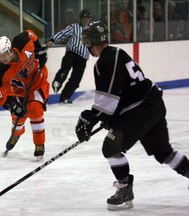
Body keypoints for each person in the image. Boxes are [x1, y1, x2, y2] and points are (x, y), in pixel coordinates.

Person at [75, 20, 189, 210]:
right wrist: (107, 118)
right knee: (164, 153)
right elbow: (119, 95)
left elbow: (108, 100)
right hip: (150, 105)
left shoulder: (105, 61)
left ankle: (125, 188)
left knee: (111, 147)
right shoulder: (116, 54)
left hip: (142, 108)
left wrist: (90, 117)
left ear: (90, 42)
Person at [0, 30, 50, 158]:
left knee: (35, 109)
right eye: (0, 56)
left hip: (38, 82)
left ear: (10, 49)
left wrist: (39, 50)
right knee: (18, 115)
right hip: (20, 91)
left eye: (4, 55)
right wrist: (11, 105)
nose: (3, 59)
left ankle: (39, 144)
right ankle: (16, 133)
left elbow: (31, 34)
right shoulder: (2, 70)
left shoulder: (21, 41)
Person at [46, 9, 92, 104]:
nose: (86, 20)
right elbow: (63, 33)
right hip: (71, 53)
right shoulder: (74, 27)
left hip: (83, 58)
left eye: (87, 18)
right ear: (81, 18)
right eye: (84, 18)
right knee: (65, 69)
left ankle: (64, 97)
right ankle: (57, 82)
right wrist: (53, 40)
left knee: (76, 80)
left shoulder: (92, 31)